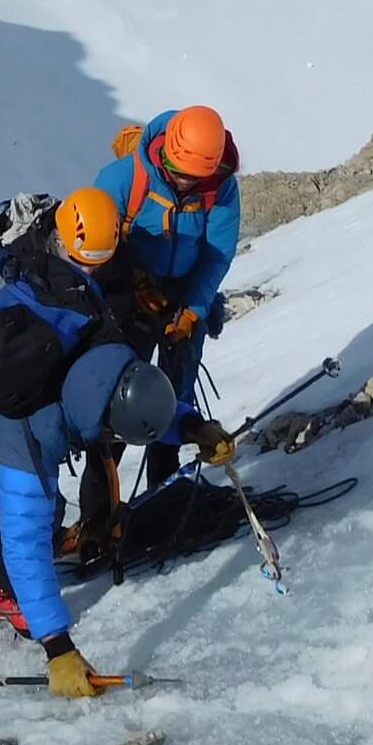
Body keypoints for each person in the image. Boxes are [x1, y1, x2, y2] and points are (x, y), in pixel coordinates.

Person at [0, 187, 222, 695]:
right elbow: (24, 543)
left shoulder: (98, 341)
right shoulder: (35, 427)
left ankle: (0, 592)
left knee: (49, 508)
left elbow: (130, 398)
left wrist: (192, 427)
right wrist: (59, 650)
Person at [91, 106, 244, 491]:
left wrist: (193, 310)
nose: (185, 185)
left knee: (176, 392)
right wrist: (132, 289)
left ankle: (166, 486)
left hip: (184, 293)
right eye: (178, 175)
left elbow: (216, 254)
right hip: (128, 298)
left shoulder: (220, 188)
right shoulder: (122, 180)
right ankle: (103, 507)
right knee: (122, 397)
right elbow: (97, 251)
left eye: (195, 179)